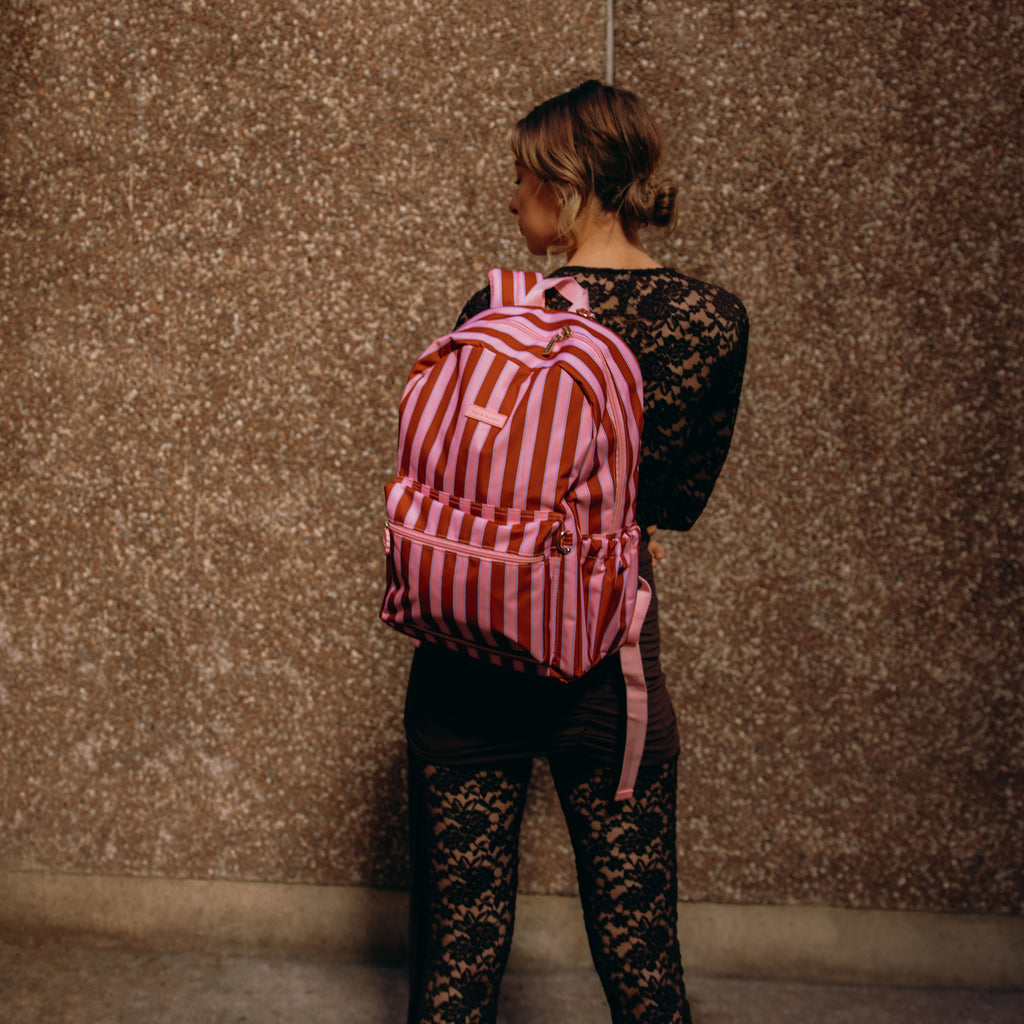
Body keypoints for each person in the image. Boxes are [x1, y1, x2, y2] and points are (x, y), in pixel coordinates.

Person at [402, 79, 748, 1024]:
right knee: (644, 972)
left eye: (519, 176)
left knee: (456, 970)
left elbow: (455, 481)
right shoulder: (709, 323)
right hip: (607, 673)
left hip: (465, 655)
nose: (510, 199)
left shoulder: (500, 306)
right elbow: (673, 504)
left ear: (564, 183)